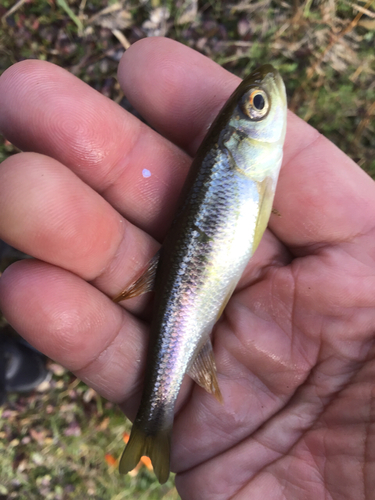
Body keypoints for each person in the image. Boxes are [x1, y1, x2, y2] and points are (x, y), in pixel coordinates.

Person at [0, 37, 374, 499]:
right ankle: (154, 419)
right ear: (237, 139)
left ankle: (154, 421)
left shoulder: (241, 164)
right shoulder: (242, 167)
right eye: (259, 105)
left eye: (256, 103)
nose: (268, 102)